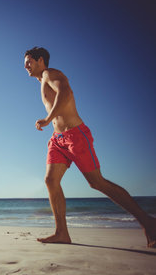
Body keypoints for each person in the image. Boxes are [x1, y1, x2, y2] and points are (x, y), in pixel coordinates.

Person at [23, 46, 156, 247]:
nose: (25, 66)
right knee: (50, 180)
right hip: (58, 140)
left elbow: (65, 93)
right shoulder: (41, 82)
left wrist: (47, 119)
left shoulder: (51, 73)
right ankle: (62, 233)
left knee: (97, 182)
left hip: (76, 136)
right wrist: (53, 127)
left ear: (40, 60)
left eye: (28, 61)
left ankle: (147, 221)